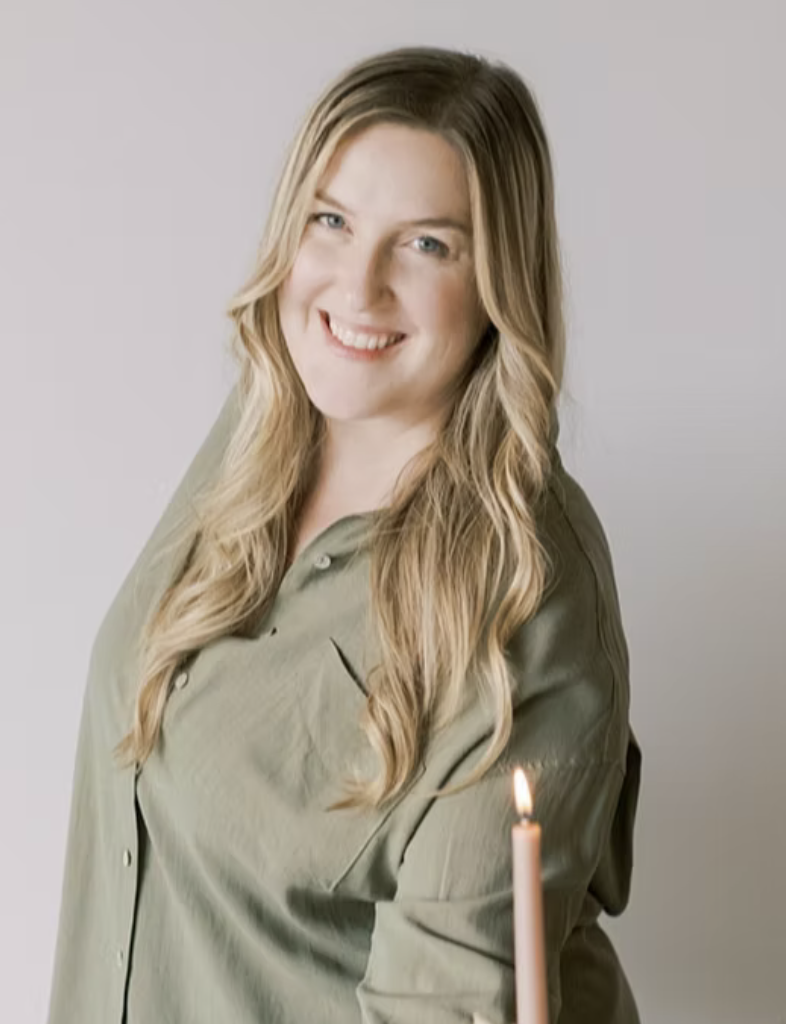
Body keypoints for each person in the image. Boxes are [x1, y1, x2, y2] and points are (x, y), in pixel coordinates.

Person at [47, 45, 642, 1024]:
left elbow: (446, 1001)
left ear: (499, 281)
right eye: (332, 220)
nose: (357, 289)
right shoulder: (270, 419)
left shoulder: (524, 590)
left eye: (426, 245)